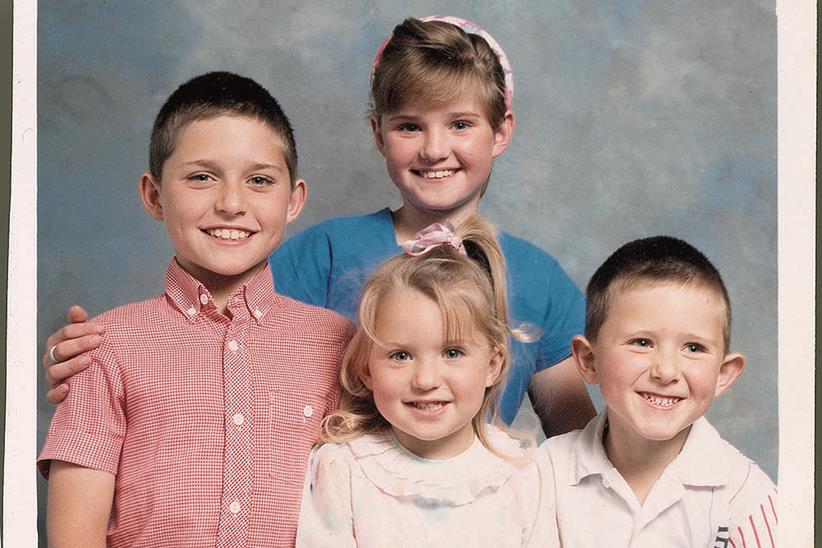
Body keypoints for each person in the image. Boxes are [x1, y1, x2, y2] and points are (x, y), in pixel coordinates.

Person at [41, 16, 595, 437]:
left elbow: (579, 444)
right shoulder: (324, 253)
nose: (434, 149)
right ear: (379, 135)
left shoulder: (537, 278)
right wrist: (100, 358)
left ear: (501, 132)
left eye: (460, 124)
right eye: (409, 126)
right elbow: (204, 339)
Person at [38, 71, 354, 547]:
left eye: (260, 180)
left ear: (294, 200)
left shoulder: (342, 345)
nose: (231, 203)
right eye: (202, 177)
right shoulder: (102, 350)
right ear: (153, 195)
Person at [296, 216, 559, 547]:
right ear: (367, 370)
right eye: (401, 356)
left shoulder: (522, 474)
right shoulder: (341, 469)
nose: (425, 380)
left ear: (493, 365)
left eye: (452, 352)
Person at [538, 236, 777, 546]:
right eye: (642, 343)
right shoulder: (544, 475)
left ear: (723, 374)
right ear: (589, 360)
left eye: (693, 348)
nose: (665, 371)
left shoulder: (746, 497)